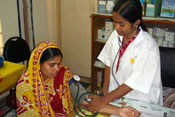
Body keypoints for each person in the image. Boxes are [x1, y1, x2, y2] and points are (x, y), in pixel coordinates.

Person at [16, 41, 140, 117]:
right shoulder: (25, 85)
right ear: (38, 63)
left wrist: (119, 111)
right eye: (52, 65)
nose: (57, 69)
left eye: (59, 64)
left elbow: (84, 98)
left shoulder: (63, 75)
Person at [86, 0, 163, 114]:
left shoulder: (148, 46)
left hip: (140, 99)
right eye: (114, 22)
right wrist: (105, 87)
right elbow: (108, 60)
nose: (116, 27)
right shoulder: (116, 35)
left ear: (136, 22)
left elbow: (134, 82)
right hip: (115, 95)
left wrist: (104, 100)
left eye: (121, 24)